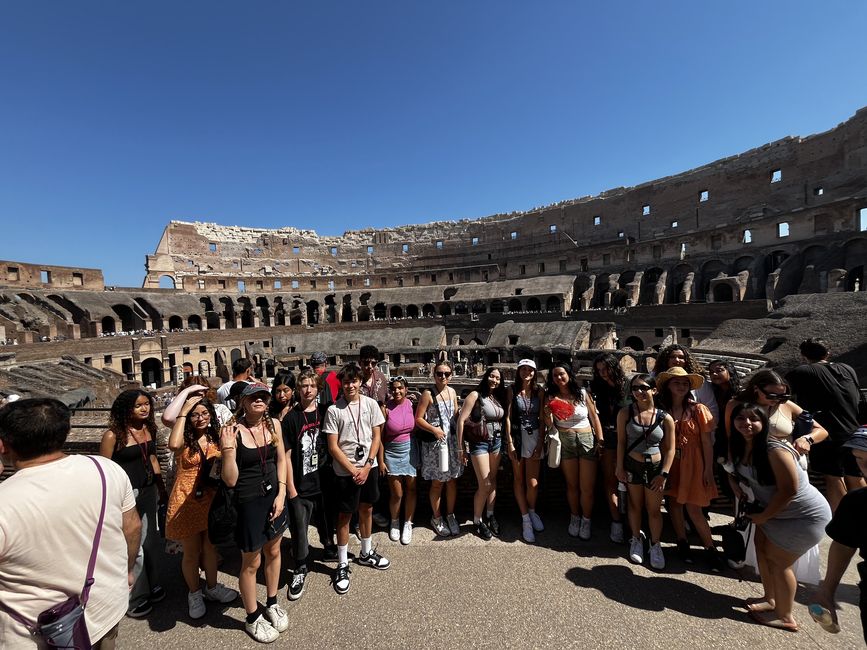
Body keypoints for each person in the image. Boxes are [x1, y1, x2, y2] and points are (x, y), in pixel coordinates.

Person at [0, 398, 142, 649]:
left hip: (35, 633)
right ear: (67, 432)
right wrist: (128, 571)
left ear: (4, 444)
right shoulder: (105, 469)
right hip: (103, 608)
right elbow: (132, 527)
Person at [728, 403, 832, 632]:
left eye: (753, 419)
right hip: (774, 511)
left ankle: (785, 616)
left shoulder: (774, 448)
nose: (746, 423)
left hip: (803, 516)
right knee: (762, 550)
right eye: (740, 418)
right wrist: (735, 483)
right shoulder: (740, 445)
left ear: (764, 422)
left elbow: (789, 490)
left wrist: (764, 516)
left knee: (779, 562)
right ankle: (770, 599)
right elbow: (736, 471)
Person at [219, 383, 288, 643]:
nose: (259, 400)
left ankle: (271, 602)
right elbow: (229, 480)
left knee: (274, 551)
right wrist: (227, 451)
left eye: (263, 396)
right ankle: (252, 617)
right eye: (254, 397)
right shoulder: (232, 431)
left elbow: (281, 460)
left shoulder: (274, 425)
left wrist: (281, 493)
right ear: (243, 402)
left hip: (274, 498)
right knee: (251, 562)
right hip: (248, 501)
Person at [165, 395, 238, 619]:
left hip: (210, 496)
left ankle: (213, 587)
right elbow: (173, 444)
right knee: (191, 552)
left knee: (210, 548)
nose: (200, 418)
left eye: (204, 414)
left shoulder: (215, 436)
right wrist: (185, 410)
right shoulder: (184, 439)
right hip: (186, 498)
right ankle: (194, 593)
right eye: (196, 415)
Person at [324, 363, 391, 596]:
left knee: (367, 509)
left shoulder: (371, 404)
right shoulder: (334, 410)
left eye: (354, 381)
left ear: (360, 382)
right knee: (344, 515)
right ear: (341, 384)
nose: (350, 385)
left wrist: (369, 463)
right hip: (346, 471)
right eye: (346, 382)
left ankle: (365, 552)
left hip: (367, 467)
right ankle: (342, 562)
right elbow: (333, 446)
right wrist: (354, 469)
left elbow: (376, 436)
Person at [100, 389, 166, 618]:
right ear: (126, 408)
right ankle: (137, 596)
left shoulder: (149, 429)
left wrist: (162, 488)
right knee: (133, 545)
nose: (145, 408)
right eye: (139, 405)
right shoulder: (113, 436)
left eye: (147, 404)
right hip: (125, 495)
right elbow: (104, 469)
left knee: (152, 540)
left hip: (147, 490)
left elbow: (154, 458)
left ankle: (154, 583)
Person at [787, 338, 866, 512]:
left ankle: (841, 519)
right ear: (828, 353)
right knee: (855, 474)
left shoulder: (801, 372)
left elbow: (783, 395)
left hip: (826, 433)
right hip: (853, 430)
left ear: (803, 356)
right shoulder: (848, 369)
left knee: (833, 476)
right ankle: (863, 519)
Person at [656, 367, 722, 570]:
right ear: (668, 385)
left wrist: (708, 469)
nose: (681, 386)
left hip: (694, 462)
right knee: (674, 503)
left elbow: (707, 442)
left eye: (685, 383)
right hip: (671, 461)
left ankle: (710, 548)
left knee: (694, 508)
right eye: (677, 382)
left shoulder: (698, 409)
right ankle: (682, 541)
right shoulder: (661, 409)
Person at [282, 369, 335, 601]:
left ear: (318, 389)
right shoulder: (291, 418)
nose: (308, 390)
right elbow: (286, 455)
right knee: (299, 529)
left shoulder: (326, 413)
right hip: (301, 484)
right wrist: (290, 487)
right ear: (298, 389)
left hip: (323, 481)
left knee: (326, 520)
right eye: (303, 385)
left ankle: (328, 547)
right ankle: (301, 566)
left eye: (312, 386)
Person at [811, 427, 867, 642]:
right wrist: (827, 590)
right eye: (860, 459)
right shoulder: (857, 502)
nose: (865, 467)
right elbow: (844, 544)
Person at [616, 375, 675, 569]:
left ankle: (655, 544)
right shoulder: (626, 413)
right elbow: (621, 442)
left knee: (654, 509)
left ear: (654, 390)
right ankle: (636, 539)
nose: (638, 392)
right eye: (634, 388)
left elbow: (670, 449)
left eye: (643, 387)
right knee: (634, 504)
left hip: (655, 467)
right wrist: (619, 466)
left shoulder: (665, 417)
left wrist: (664, 473)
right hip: (633, 464)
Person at [543, 362, 605, 540]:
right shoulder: (550, 396)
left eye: (561, 374)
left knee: (587, 487)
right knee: (571, 485)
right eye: (555, 376)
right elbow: (549, 424)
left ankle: (586, 520)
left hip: (586, 439)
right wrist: (547, 414)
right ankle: (575, 517)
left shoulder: (583, 393)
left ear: (569, 374)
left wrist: (600, 441)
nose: (559, 378)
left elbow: (594, 417)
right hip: (565, 440)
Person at [725, 370, 829, 468]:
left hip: (789, 463)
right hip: (752, 465)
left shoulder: (787, 405)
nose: (778, 399)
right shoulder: (735, 405)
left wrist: (807, 439)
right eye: (772, 395)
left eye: (783, 396)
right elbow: (730, 436)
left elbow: (822, 431)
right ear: (756, 388)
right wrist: (732, 468)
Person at [415, 360, 464, 537]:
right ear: (433, 375)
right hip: (436, 445)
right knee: (437, 483)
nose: (443, 377)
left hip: (450, 442)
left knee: (452, 480)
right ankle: (436, 517)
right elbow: (418, 419)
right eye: (439, 373)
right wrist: (434, 429)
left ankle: (450, 515)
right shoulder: (428, 394)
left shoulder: (452, 392)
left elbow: (456, 416)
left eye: (446, 374)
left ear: (451, 376)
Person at [458, 367, 507, 539]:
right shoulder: (475, 395)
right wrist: (461, 448)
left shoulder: (497, 397)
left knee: (493, 481)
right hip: (480, 443)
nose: (494, 380)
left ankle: (490, 515)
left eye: (498, 378)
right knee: (485, 484)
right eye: (492, 376)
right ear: (486, 377)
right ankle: (477, 521)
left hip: (497, 442)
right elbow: (461, 421)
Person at [505, 359, 546, 543]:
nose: (527, 372)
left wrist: (540, 442)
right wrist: (510, 442)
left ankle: (531, 510)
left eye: (530, 370)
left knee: (533, 482)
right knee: (519, 479)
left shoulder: (540, 391)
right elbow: (507, 416)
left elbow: (543, 418)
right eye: (523, 369)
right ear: (518, 371)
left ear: (534, 372)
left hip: (534, 436)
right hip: (517, 435)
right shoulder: (512, 390)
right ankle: (525, 519)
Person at [590, 353, 630, 543]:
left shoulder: (630, 386)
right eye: (599, 370)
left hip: (631, 439)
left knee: (632, 482)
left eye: (605, 369)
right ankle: (616, 522)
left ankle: (633, 524)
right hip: (608, 438)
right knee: (610, 480)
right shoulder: (597, 387)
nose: (602, 373)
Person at [379, 376, 417, 545]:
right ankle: (395, 522)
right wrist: (381, 460)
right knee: (397, 493)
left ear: (406, 389)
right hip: (392, 452)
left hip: (410, 450)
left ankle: (408, 523)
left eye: (400, 388)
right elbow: (379, 437)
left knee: (412, 489)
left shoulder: (411, 404)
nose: (397, 391)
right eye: (394, 388)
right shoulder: (386, 408)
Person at [654, 344, 719, 422]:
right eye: (672, 357)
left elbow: (711, 408)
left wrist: (709, 431)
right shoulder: (654, 377)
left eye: (681, 357)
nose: (677, 360)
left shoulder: (701, 383)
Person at [163, 377, 233, 428]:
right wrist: (187, 391)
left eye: (203, 390)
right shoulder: (181, 413)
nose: (200, 394)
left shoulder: (220, 409)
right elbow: (168, 418)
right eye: (194, 392)